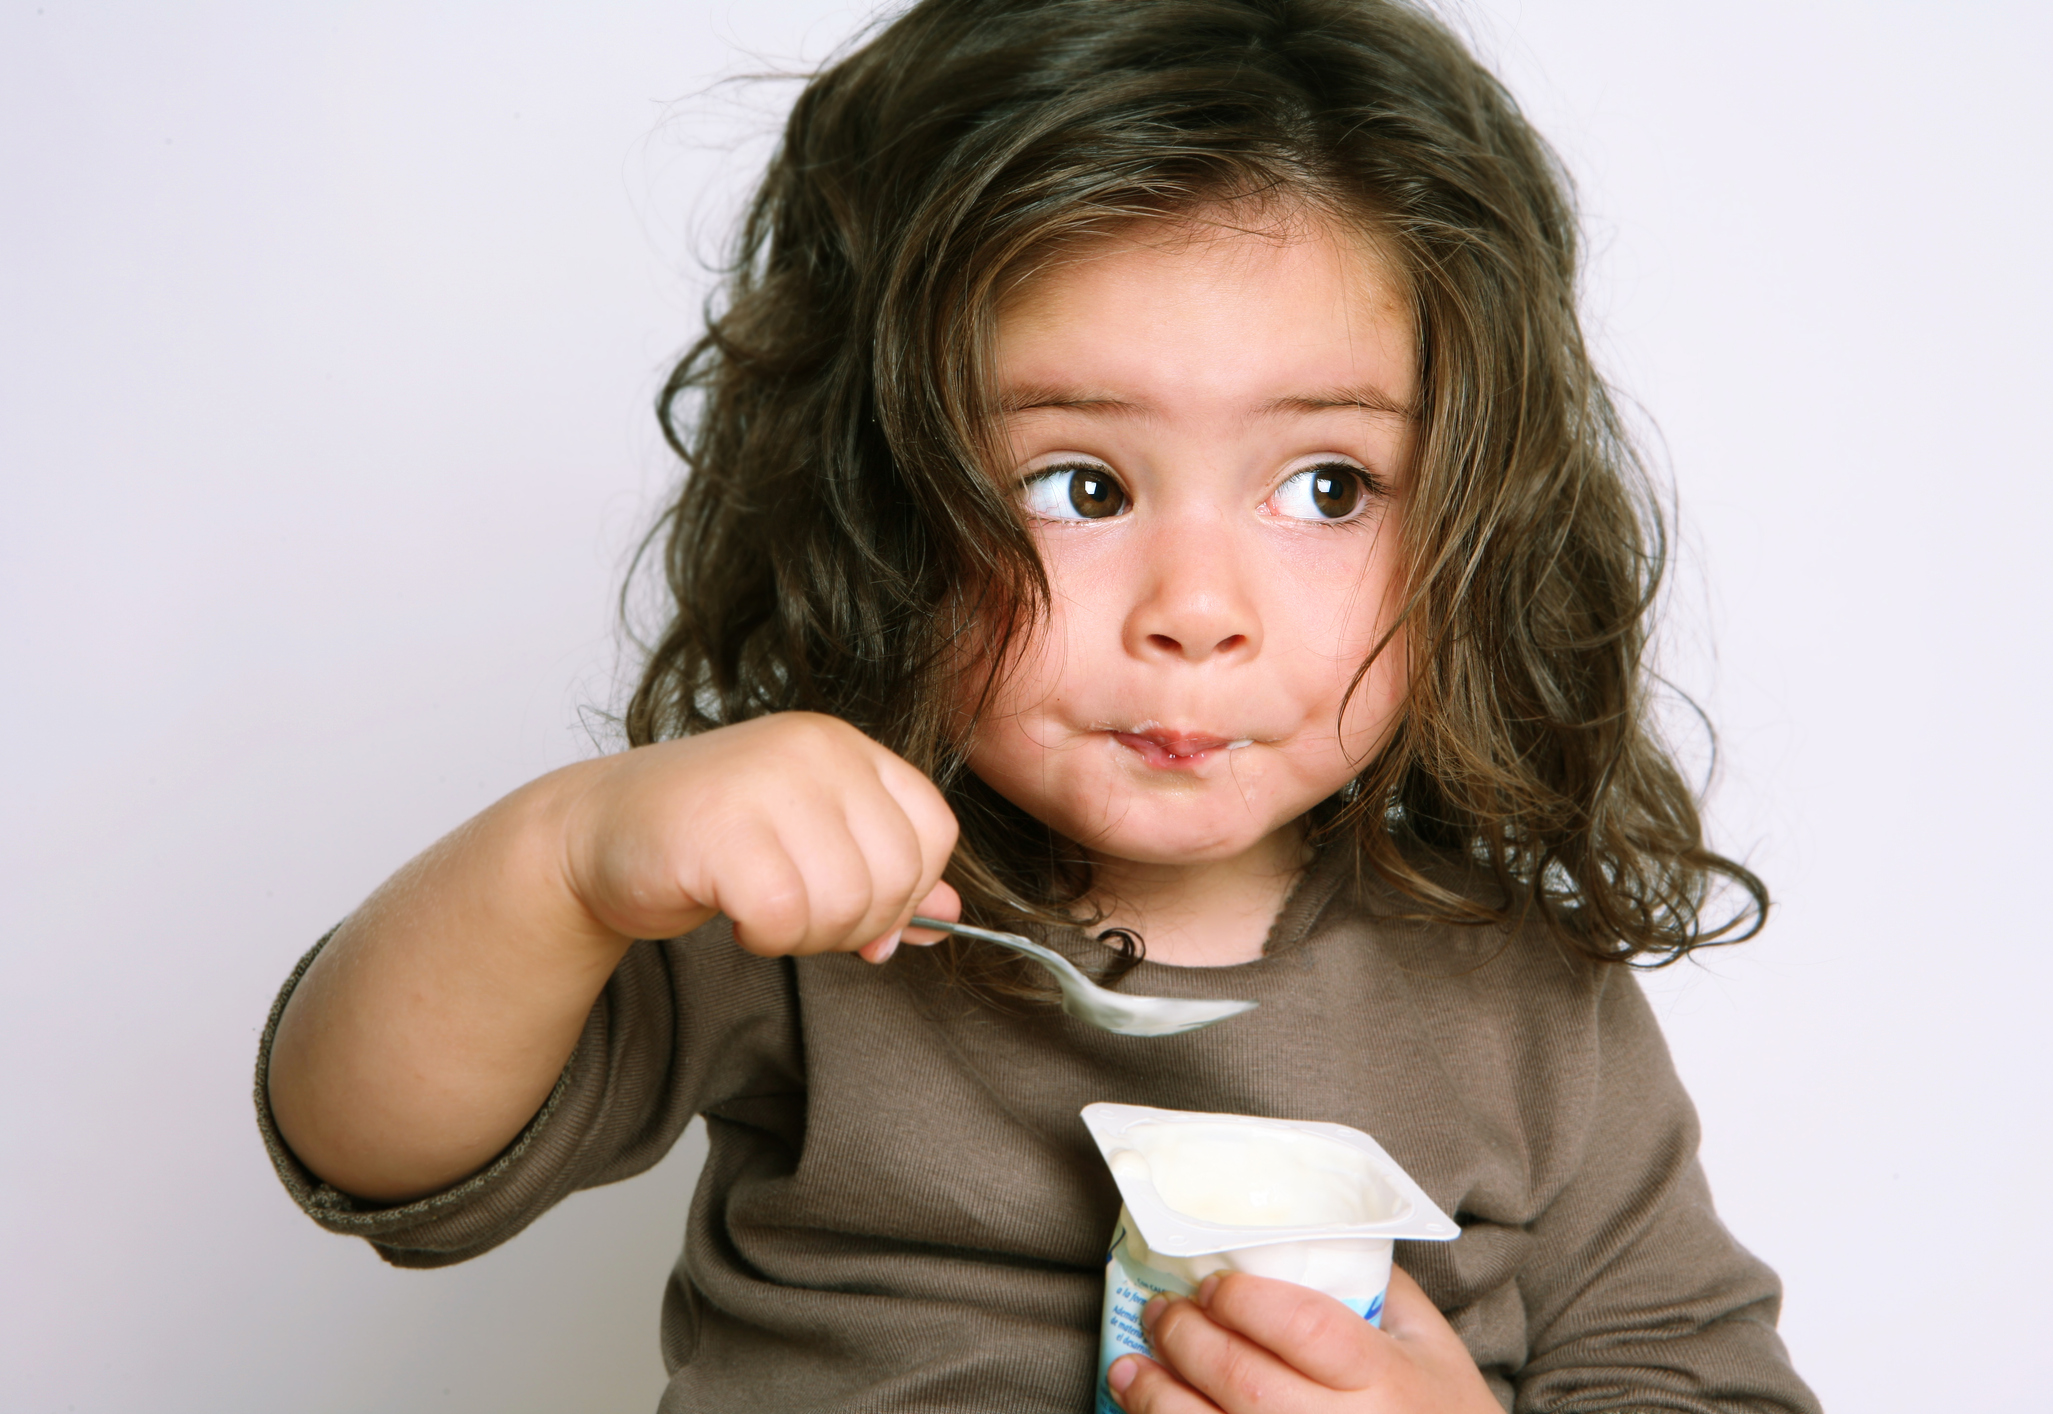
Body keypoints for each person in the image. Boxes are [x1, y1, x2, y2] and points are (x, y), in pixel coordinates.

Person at [256, 1, 1819, 1410]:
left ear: (1477, 516)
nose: (1195, 609)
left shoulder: (1526, 1002)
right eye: (1078, 485)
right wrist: (564, 858)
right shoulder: (812, 891)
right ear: (877, 505)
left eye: (1325, 486)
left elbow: (1708, 1384)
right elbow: (370, 1150)